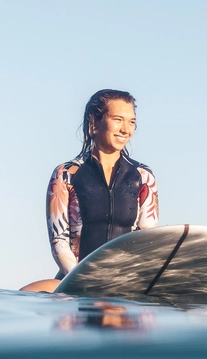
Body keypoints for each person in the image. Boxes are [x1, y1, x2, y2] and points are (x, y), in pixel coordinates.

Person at [21, 89, 159, 292]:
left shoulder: (143, 176)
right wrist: (84, 280)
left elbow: (148, 238)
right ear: (94, 121)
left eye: (131, 122)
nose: (125, 129)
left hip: (125, 279)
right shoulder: (66, 174)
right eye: (118, 119)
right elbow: (59, 241)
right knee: (27, 293)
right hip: (76, 277)